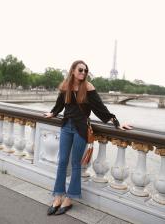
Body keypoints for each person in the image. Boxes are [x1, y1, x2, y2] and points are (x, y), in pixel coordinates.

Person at [44, 60, 132, 216]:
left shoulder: (89, 88)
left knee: (76, 163)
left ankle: (69, 198)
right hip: (66, 127)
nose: (83, 73)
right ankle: (58, 196)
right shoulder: (66, 86)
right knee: (62, 161)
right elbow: (60, 104)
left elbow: (100, 109)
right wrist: (53, 113)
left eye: (86, 70)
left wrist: (116, 122)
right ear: (72, 70)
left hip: (81, 129)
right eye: (80, 70)